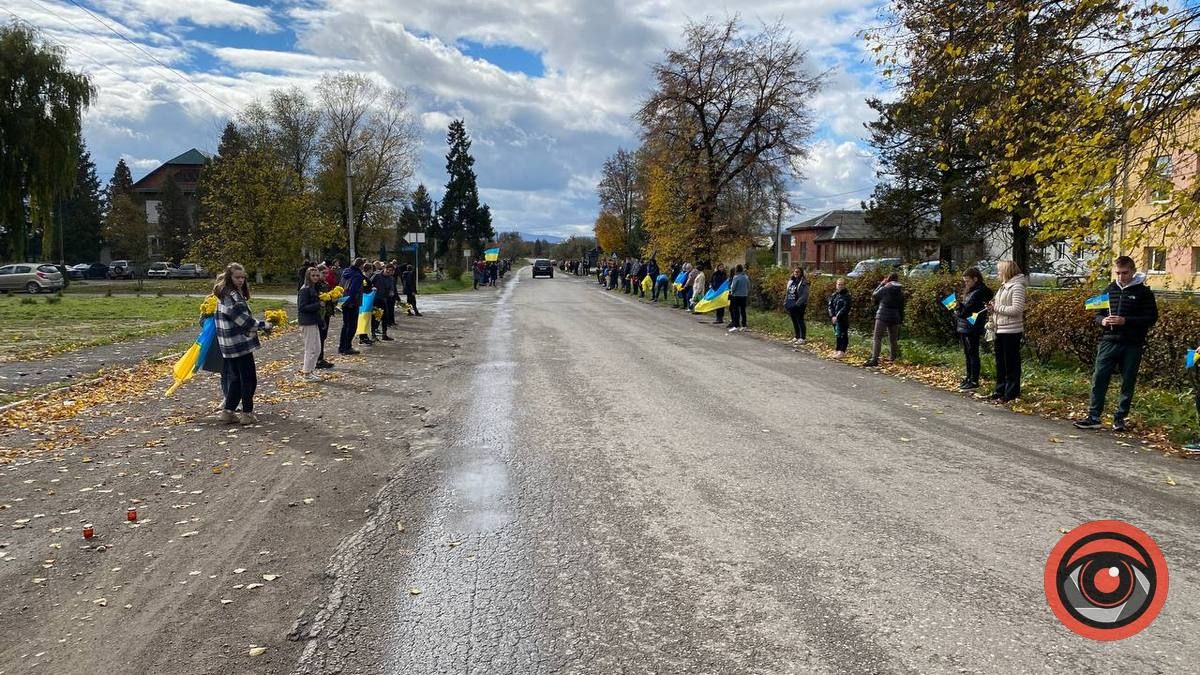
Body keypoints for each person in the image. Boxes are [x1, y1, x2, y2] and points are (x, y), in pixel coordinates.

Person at [1074, 256, 1158, 431]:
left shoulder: (1144, 293)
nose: (1121, 277)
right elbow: (1098, 313)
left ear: (1133, 271)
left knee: (1128, 381)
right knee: (1099, 377)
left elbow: (1151, 318)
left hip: (1132, 343)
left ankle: (1120, 418)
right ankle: (1094, 416)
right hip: (1108, 341)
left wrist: (1125, 320)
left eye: (1125, 273)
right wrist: (1103, 321)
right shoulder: (1110, 289)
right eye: (1118, 273)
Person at [214, 263, 268, 424]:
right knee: (248, 378)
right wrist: (266, 325)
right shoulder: (232, 297)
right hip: (238, 344)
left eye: (243, 277)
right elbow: (245, 321)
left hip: (228, 344)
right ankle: (247, 412)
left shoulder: (224, 295)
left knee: (236, 379)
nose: (241, 280)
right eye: (237, 277)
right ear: (229, 277)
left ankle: (228, 411)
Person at [987, 260, 1027, 402]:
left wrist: (996, 308)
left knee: (1011, 363)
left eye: (999, 271)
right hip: (1000, 328)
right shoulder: (1003, 287)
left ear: (1006, 272)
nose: (998, 273)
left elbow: (1016, 309)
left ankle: (1011, 392)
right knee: (1000, 362)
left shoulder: (1017, 287)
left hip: (1011, 330)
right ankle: (1000, 389)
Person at [954, 267, 993, 391]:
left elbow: (966, 311)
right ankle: (969, 377)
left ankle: (974, 379)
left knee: (972, 353)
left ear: (975, 279)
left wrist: (957, 308)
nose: (966, 283)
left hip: (972, 325)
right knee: (968, 353)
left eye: (968, 281)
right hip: (965, 325)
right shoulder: (971, 291)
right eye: (964, 281)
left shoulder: (979, 292)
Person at [865, 272, 904, 367]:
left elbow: (874, 295)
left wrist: (881, 284)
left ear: (888, 279)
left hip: (882, 315)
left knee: (877, 337)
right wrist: (901, 319)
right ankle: (893, 358)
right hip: (895, 316)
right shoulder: (900, 291)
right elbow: (901, 306)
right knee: (893, 339)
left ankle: (874, 359)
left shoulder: (885, 288)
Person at [296, 267, 324, 381]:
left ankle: (311, 370)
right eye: (313, 275)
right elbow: (302, 307)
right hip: (307, 322)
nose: (316, 277)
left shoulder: (313, 288)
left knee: (317, 348)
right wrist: (318, 305)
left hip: (313, 320)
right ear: (308, 276)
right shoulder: (305, 289)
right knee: (310, 348)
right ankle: (307, 373)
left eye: (317, 275)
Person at [338, 258, 364, 355]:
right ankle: (347, 346)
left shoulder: (345, 272)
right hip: (352, 302)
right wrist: (352, 301)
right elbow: (353, 290)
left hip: (343, 300)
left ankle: (342, 347)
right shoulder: (358, 276)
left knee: (345, 324)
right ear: (361, 266)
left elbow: (341, 285)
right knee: (352, 325)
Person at [784, 266, 810, 343]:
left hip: (799, 305)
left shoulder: (804, 282)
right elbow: (788, 293)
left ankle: (802, 337)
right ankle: (797, 336)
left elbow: (804, 295)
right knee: (794, 320)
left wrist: (797, 304)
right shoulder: (791, 281)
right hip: (791, 304)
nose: (796, 273)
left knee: (800, 320)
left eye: (798, 272)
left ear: (801, 273)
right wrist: (785, 302)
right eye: (795, 272)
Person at [828, 278, 851, 357]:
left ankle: (842, 350)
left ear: (844, 286)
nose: (840, 286)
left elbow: (845, 307)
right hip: (834, 318)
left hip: (842, 318)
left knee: (843, 334)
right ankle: (837, 349)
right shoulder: (834, 295)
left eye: (841, 284)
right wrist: (832, 315)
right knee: (837, 334)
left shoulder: (847, 296)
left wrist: (837, 316)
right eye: (838, 284)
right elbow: (830, 305)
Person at [374, 264, 397, 341]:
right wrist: (372, 288)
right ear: (385, 269)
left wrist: (391, 292)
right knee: (376, 317)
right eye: (388, 270)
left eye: (391, 271)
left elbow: (391, 288)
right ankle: (373, 334)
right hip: (375, 299)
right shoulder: (377, 275)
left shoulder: (391, 278)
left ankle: (384, 334)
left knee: (385, 317)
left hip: (384, 299)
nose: (389, 272)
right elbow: (368, 283)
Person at [727, 264, 750, 332]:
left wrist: (731, 292)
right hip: (744, 295)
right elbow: (748, 285)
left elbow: (733, 287)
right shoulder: (746, 277)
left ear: (736, 269)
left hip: (736, 295)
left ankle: (736, 325)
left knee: (736, 311)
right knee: (743, 310)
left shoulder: (736, 277)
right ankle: (744, 325)